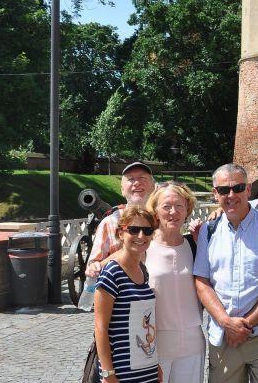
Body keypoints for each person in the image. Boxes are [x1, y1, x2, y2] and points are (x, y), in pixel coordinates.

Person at [193, 163, 258, 383]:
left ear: (249, 190)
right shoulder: (208, 231)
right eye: (223, 190)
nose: (231, 195)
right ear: (215, 194)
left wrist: (245, 325)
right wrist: (226, 323)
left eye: (238, 188)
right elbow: (202, 282)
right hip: (223, 338)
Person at [145, 182, 205, 382]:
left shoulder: (194, 245)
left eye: (179, 206)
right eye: (166, 206)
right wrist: (97, 264)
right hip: (153, 342)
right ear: (155, 211)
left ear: (187, 209)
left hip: (192, 341)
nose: (173, 212)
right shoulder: (144, 246)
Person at [94, 206, 160, 383]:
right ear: (120, 233)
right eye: (133, 230)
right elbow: (100, 328)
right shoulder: (111, 273)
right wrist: (108, 373)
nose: (141, 236)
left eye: (147, 231)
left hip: (147, 370)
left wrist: (156, 364)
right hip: (121, 374)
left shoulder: (143, 271)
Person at [87, 162, 155, 277]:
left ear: (153, 186)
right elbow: (93, 266)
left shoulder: (163, 221)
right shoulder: (109, 223)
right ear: (122, 189)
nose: (137, 183)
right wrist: (93, 268)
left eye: (142, 178)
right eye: (131, 179)